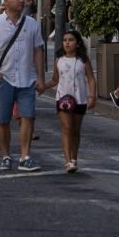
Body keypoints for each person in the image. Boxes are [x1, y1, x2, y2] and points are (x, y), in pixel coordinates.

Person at [0, 0, 45, 172]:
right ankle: (6, 155)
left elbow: (38, 50)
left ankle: (25, 156)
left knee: (28, 117)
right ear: (6, 2)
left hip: (27, 79)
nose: (21, 1)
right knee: (3, 120)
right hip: (5, 79)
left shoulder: (32, 24)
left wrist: (40, 77)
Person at [44, 30, 96, 173]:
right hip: (63, 99)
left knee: (75, 130)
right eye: (65, 40)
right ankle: (67, 161)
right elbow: (55, 79)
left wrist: (92, 96)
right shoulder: (59, 60)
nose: (67, 42)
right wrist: (43, 86)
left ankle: (74, 158)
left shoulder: (83, 60)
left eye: (71, 40)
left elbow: (91, 78)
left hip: (79, 99)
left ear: (77, 43)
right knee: (66, 127)